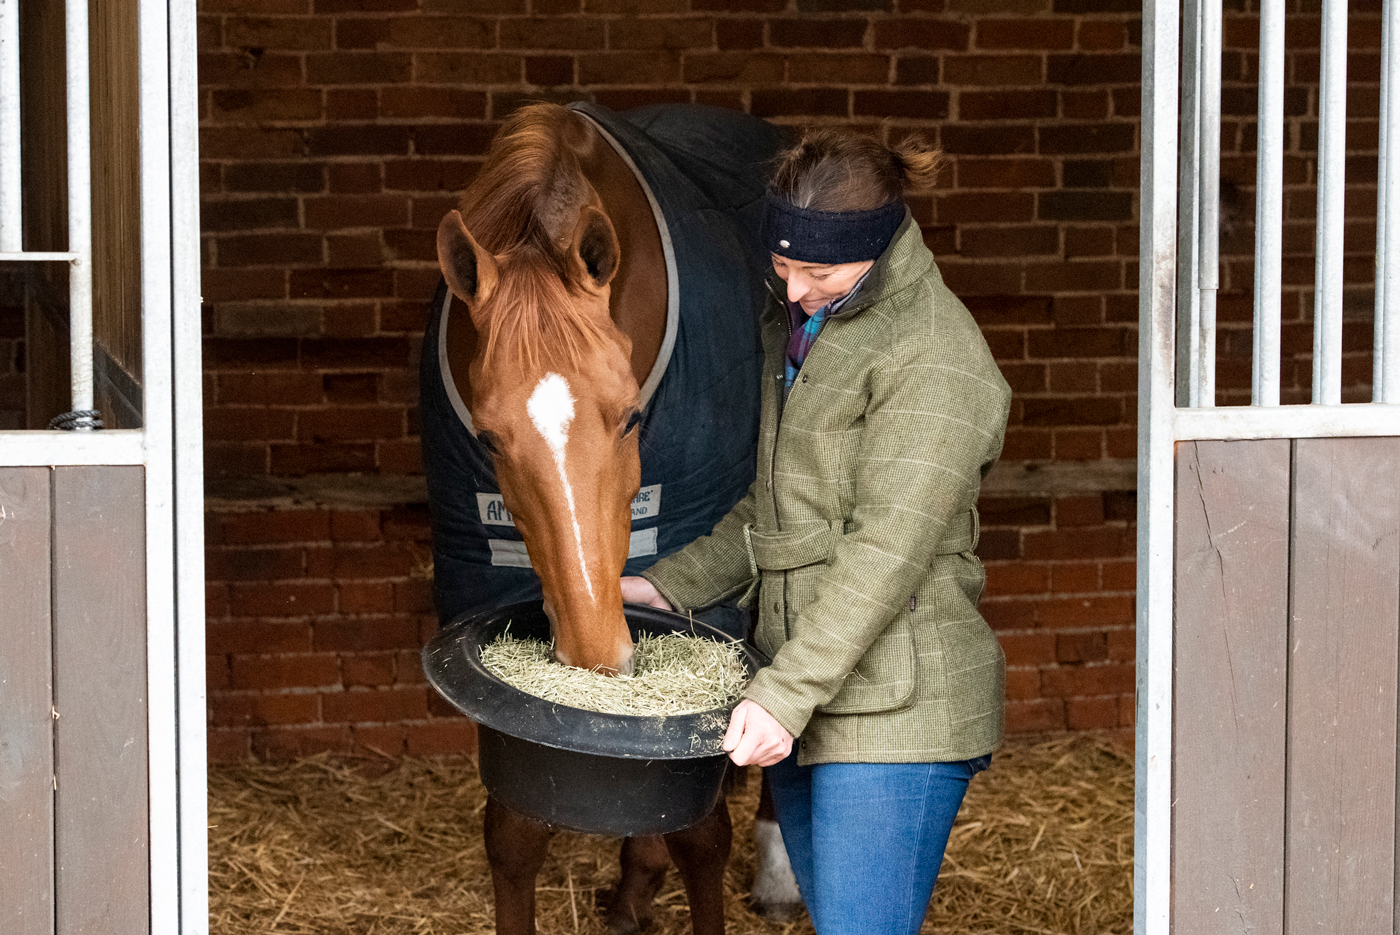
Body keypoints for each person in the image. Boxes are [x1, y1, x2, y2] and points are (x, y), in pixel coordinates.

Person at [621, 127, 1011, 935]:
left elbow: (885, 551)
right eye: (783, 264)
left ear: (876, 247)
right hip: (812, 696)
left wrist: (783, 694)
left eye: (818, 271)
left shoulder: (933, 357)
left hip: (897, 710)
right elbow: (777, 509)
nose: (793, 289)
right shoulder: (808, 329)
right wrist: (665, 586)